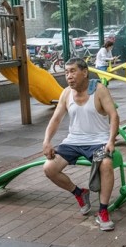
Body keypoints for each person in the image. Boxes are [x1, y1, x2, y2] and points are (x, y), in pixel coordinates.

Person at [42, 58, 120, 231]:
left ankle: (103, 211)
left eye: (72, 71)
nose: (68, 76)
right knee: (49, 168)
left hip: (98, 142)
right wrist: (47, 141)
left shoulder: (99, 90)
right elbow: (55, 119)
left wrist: (111, 140)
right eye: (66, 72)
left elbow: (114, 116)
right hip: (73, 141)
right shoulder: (66, 93)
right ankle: (79, 193)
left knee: (106, 164)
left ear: (84, 72)